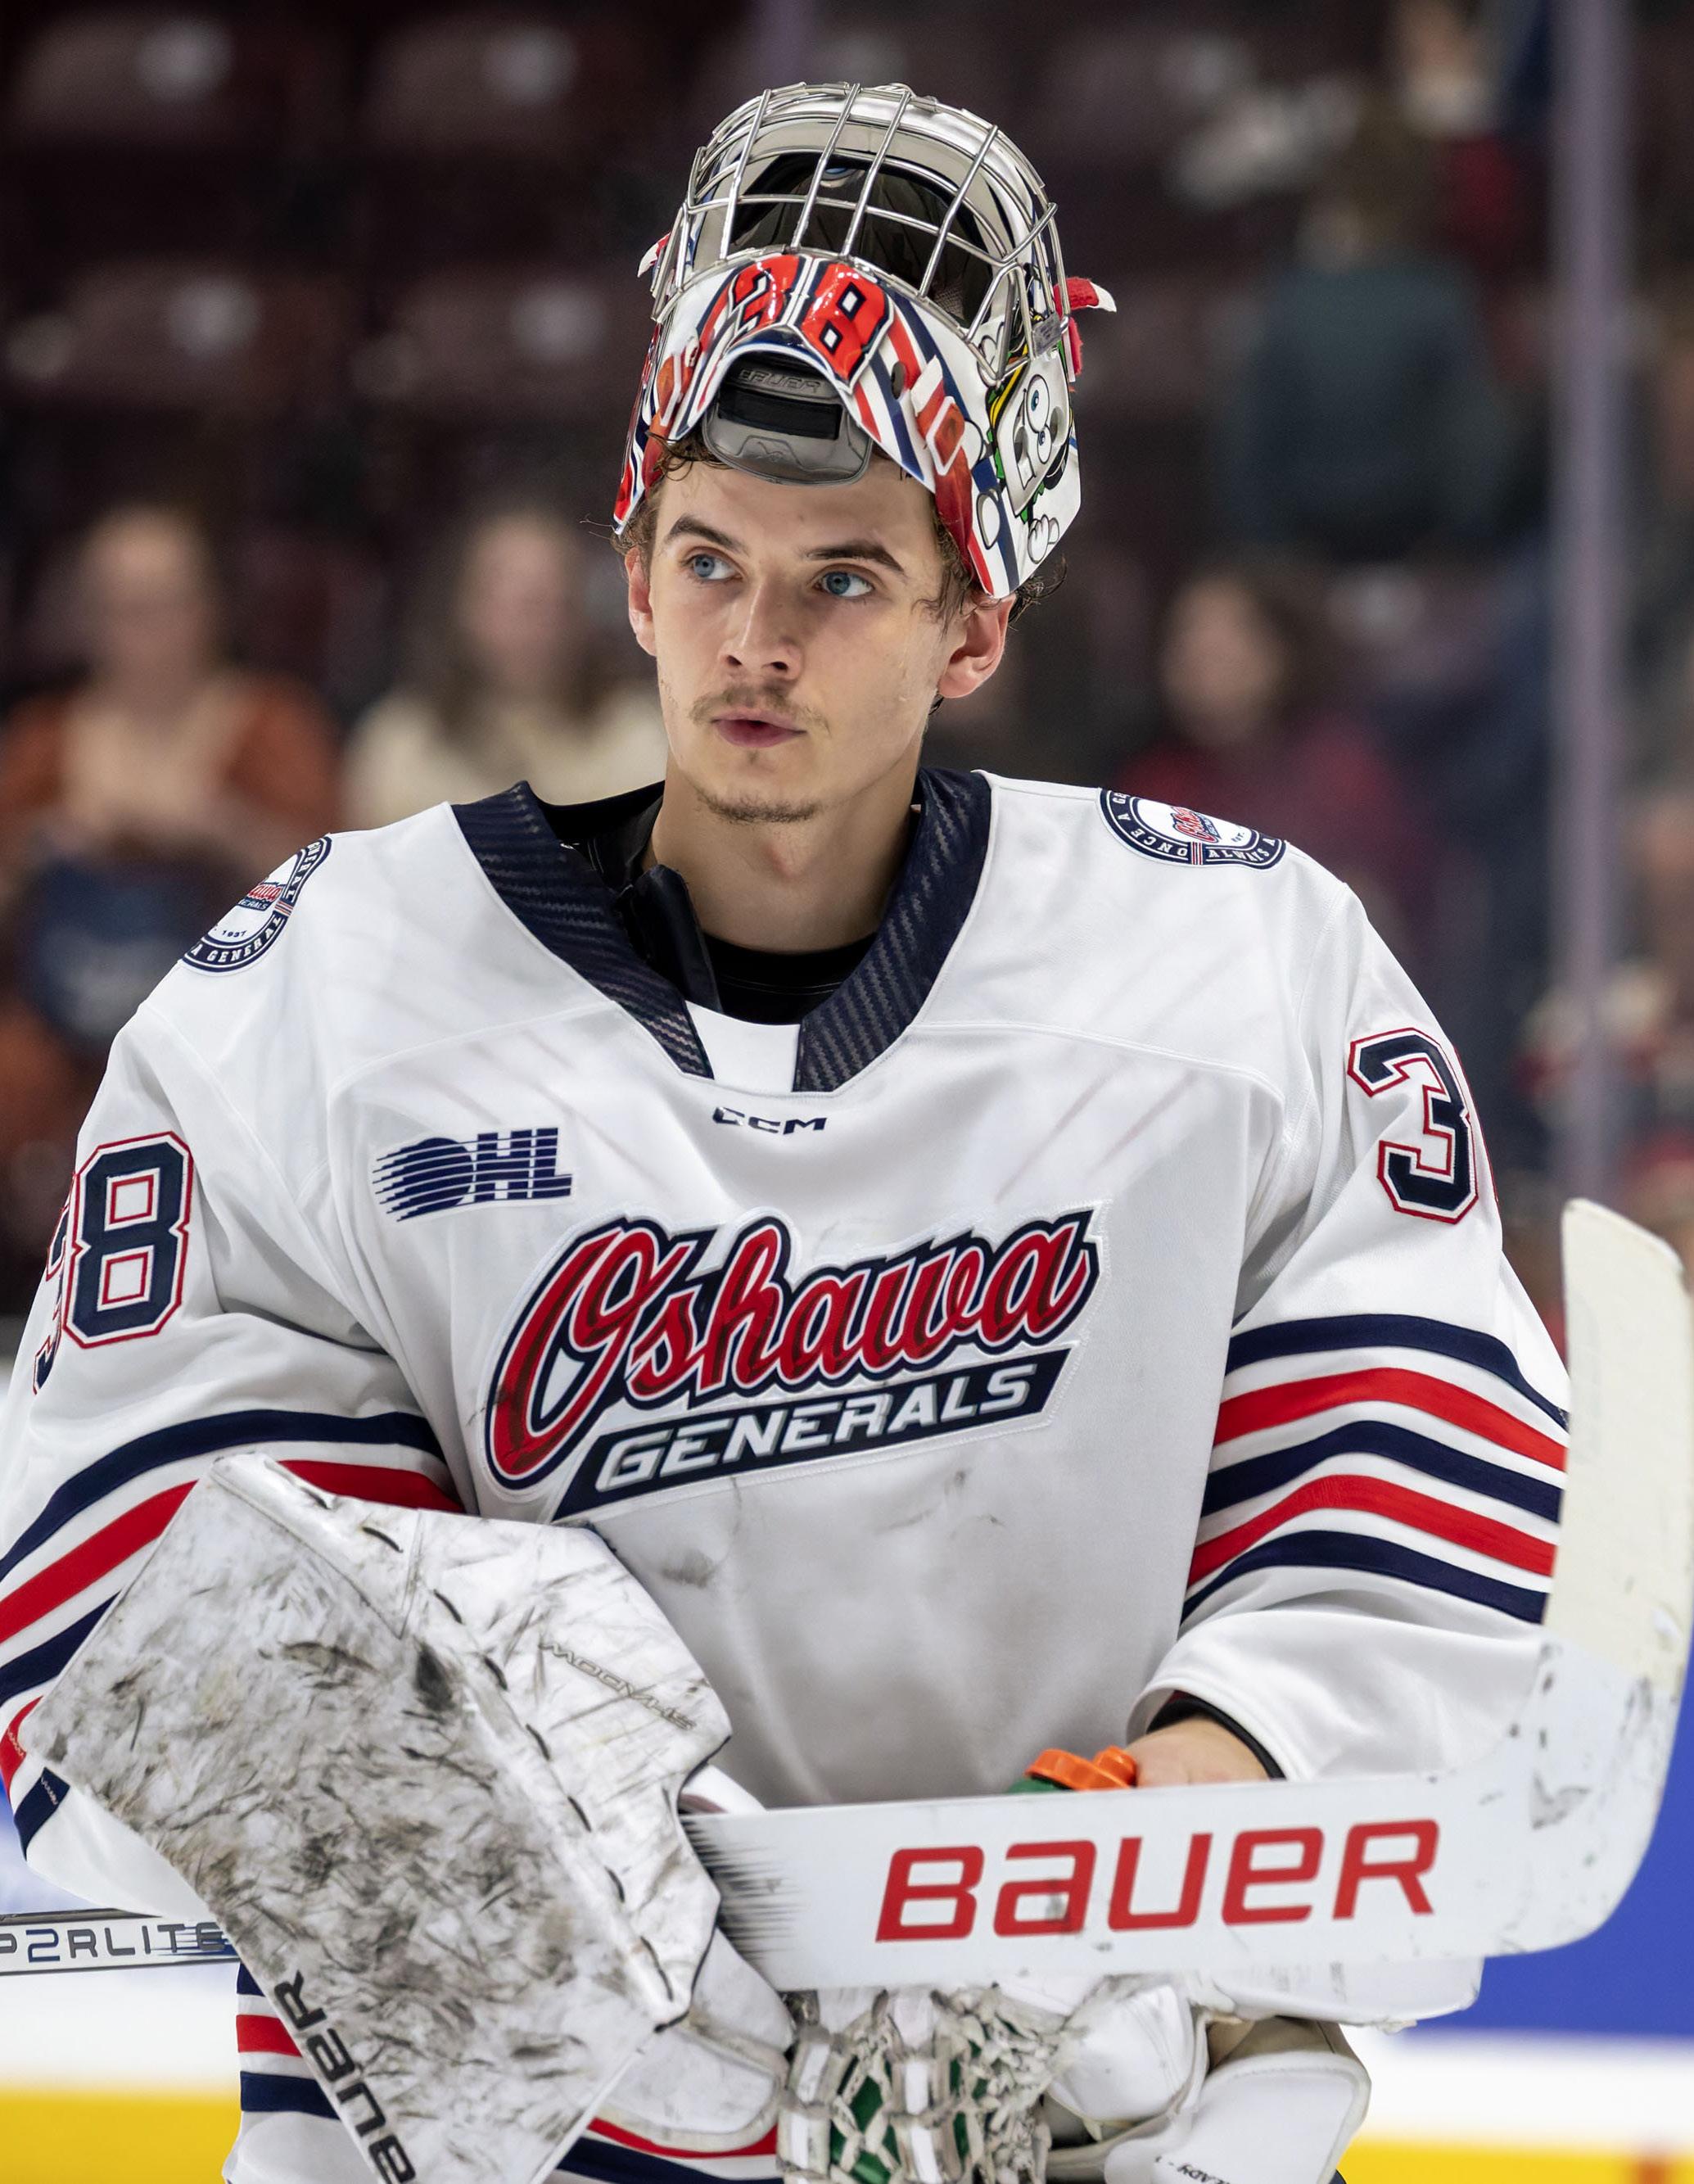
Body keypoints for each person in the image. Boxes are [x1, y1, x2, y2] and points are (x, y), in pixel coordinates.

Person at [0, 86, 1565, 2184]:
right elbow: (123, 1604)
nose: (755, 639)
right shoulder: (320, 997)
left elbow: (1412, 1496)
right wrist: (599, 1977)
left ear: (971, 624)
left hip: (1079, 2132)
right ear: (632, 575)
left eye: (842, 579)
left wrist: (1168, 1838)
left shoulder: (1238, 972)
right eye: (708, 560)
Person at [0, 504, 340, 1313]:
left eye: (165, 604)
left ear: (210, 609)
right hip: (69, 1027)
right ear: (87, 620)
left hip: (233, 1034)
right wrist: (42, 846)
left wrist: (220, 830)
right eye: (122, 608)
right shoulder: (43, 739)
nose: (145, 631)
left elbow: (338, 889)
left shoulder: (274, 725)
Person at [1118, 559, 1437, 966]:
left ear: (1282, 651)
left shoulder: (1341, 773)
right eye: (1186, 635)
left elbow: (1396, 908)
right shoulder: (1151, 787)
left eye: (1231, 636)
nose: (1201, 654)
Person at [343, 500, 667, 825]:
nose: (531, 620)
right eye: (509, 597)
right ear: (461, 604)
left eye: (550, 596)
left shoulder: (640, 735)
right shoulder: (400, 747)